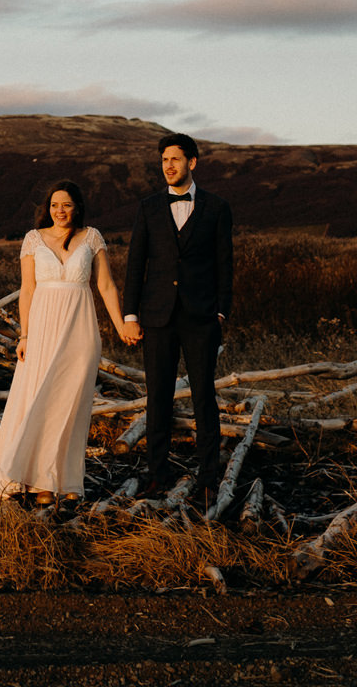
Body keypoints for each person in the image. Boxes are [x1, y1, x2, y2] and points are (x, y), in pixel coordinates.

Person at [0, 180, 135, 505]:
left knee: (71, 406)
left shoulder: (91, 237)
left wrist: (121, 323)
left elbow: (105, 285)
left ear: (76, 206)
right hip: (43, 329)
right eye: (54, 205)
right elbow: (28, 290)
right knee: (39, 398)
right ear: (47, 208)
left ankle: (64, 480)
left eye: (65, 205)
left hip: (80, 329)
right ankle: (38, 482)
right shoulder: (33, 240)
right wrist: (24, 335)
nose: (60, 211)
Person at [123, 133, 233, 505]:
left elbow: (225, 264)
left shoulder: (217, 208)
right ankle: (158, 474)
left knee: (204, 397)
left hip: (201, 317)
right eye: (164, 160)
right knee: (158, 398)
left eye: (175, 159)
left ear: (193, 162)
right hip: (156, 316)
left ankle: (207, 479)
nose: (168, 165)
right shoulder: (148, 207)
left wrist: (220, 310)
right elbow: (136, 263)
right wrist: (130, 313)